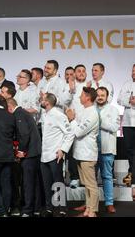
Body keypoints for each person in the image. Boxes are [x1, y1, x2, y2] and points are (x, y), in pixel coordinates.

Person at [61, 87, 100, 217]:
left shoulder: (93, 113)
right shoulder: (85, 111)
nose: (79, 97)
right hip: (80, 154)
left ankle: (93, 211)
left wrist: (72, 119)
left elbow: (78, 132)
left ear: (88, 97)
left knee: (91, 185)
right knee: (86, 184)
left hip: (88, 154)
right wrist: (73, 121)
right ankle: (88, 209)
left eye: (82, 95)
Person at [7, 98, 42, 217]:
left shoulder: (18, 114)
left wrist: (22, 151)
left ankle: (28, 210)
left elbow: (24, 134)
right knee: (34, 182)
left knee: (28, 183)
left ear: (10, 107)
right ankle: (36, 208)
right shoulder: (23, 113)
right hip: (34, 153)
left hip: (30, 154)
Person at [39, 93, 70, 217]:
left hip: (55, 155)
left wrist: (63, 149)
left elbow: (69, 133)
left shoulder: (59, 115)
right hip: (44, 155)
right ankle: (49, 208)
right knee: (46, 183)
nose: (40, 100)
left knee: (58, 183)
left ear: (47, 102)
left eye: (42, 99)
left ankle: (62, 209)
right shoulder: (44, 115)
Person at [95, 86, 119, 213]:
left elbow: (115, 127)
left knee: (107, 176)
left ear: (107, 97)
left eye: (102, 95)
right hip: (92, 149)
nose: (99, 97)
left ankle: (109, 202)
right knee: (90, 178)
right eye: (98, 95)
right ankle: (89, 203)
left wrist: (99, 121)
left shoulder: (113, 110)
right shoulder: (90, 109)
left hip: (107, 148)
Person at [117, 64, 135, 187]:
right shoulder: (126, 84)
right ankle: (131, 173)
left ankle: (132, 173)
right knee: (130, 150)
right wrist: (130, 101)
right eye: (133, 71)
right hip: (128, 123)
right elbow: (119, 100)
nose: (133, 73)